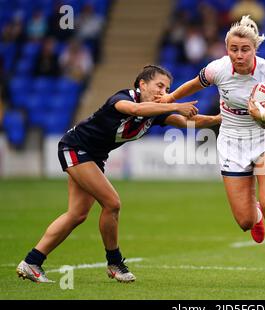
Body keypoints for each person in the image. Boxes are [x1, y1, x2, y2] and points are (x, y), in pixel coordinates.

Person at [16, 65, 221, 283]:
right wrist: (176, 106)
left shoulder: (155, 111)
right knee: (112, 203)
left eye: (167, 88)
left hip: (92, 156)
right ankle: (115, 263)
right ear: (142, 84)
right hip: (75, 148)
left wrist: (220, 119)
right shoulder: (123, 98)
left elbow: (187, 122)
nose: (164, 91)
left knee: (77, 214)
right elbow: (134, 111)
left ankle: (32, 261)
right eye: (159, 85)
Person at [158, 16, 265, 289]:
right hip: (232, 142)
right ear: (227, 49)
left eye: (245, 49)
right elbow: (194, 83)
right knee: (244, 221)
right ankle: (256, 215)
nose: (238, 55)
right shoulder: (218, 69)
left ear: (255, 49)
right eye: (233, 49)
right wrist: (170, 98)